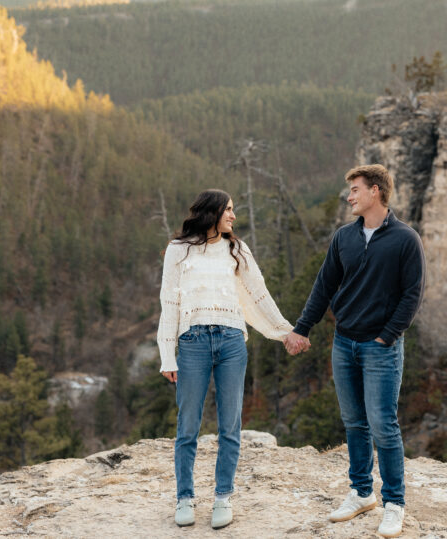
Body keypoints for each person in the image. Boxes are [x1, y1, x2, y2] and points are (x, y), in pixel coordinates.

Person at [284, 164, 425, 538]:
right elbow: (324, 286)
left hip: (380, 346)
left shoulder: (405, 239)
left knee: (383, 424)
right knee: (354, 422)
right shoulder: (343, 237)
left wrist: (387, 336)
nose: (349, 197)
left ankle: (394, 502)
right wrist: (302, 328)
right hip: (343, 343)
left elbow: (412, 295)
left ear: (376, 191)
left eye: (355, 190)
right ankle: (362, 493)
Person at [157, 189, 298, 529]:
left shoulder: (237, 249)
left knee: (230, 426)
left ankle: (223, 497)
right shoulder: (178, 250)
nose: (234, 216)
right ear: (212, 212)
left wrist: (285, 331)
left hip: (232, 340)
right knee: (187, 424)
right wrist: (167, 355)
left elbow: (258, 294)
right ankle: (185, 498)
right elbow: (169, 303)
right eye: (229, 210)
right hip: (192, 343)